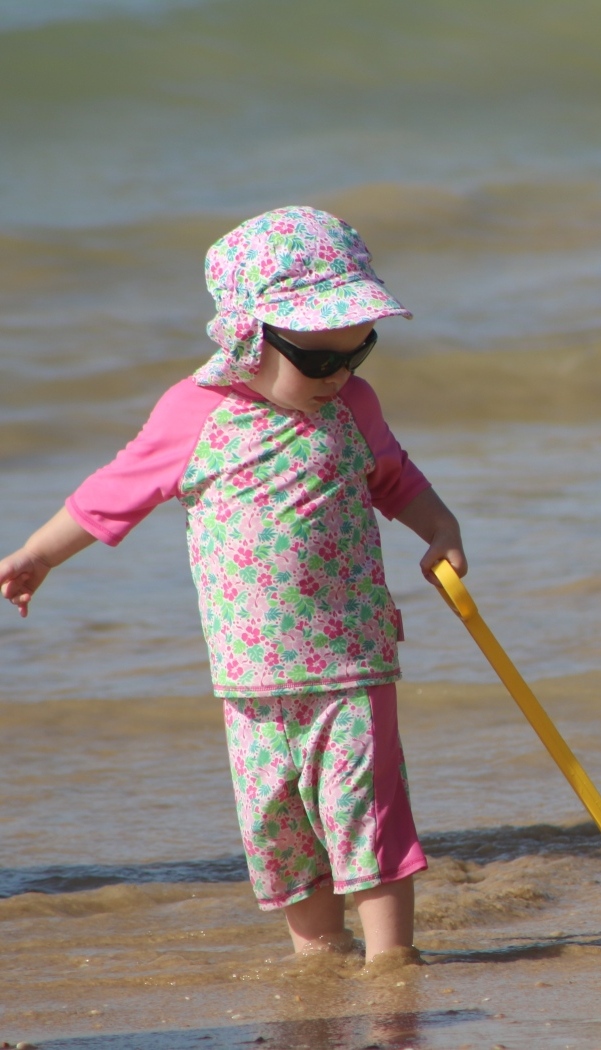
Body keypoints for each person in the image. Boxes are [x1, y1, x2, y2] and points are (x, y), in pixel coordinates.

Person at [0, 206, 465, 965]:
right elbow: (115, 489)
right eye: (319, 360)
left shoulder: (353, 408)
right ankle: (319, 955)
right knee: (277, 825)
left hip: (350, 659)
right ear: (249, 337)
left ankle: (391, 963)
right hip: (248, 677)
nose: (340, 374)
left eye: (360, 351)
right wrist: (40, 554)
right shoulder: (196, 415)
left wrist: (440, 528)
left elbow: (395, 477)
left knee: (366, 814)